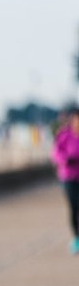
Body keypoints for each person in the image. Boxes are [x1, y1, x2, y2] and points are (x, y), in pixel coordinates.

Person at [51, 105, 79, 255]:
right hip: (69, 177)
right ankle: (76, 238)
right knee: (74, 208)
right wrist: (66, 160)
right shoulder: (64, 135)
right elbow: (55, 154)